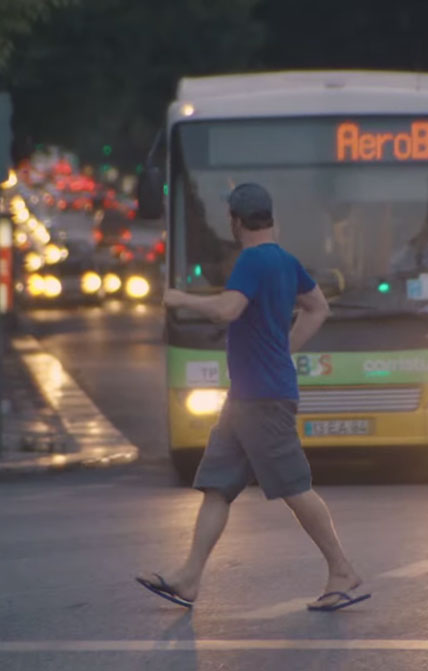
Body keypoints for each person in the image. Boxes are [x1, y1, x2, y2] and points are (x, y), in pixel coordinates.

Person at [136, 183, 368, 612]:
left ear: (235, 222)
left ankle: (342, 569)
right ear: (269, 216)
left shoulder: (252, 260)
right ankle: (189, 578)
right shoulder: (284, 260)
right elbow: (318, 308)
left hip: (263, 399)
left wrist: (181, 298)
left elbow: (228, 310)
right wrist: (285, 347)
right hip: (244, 398)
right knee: (217, 487)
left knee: (295, 488)